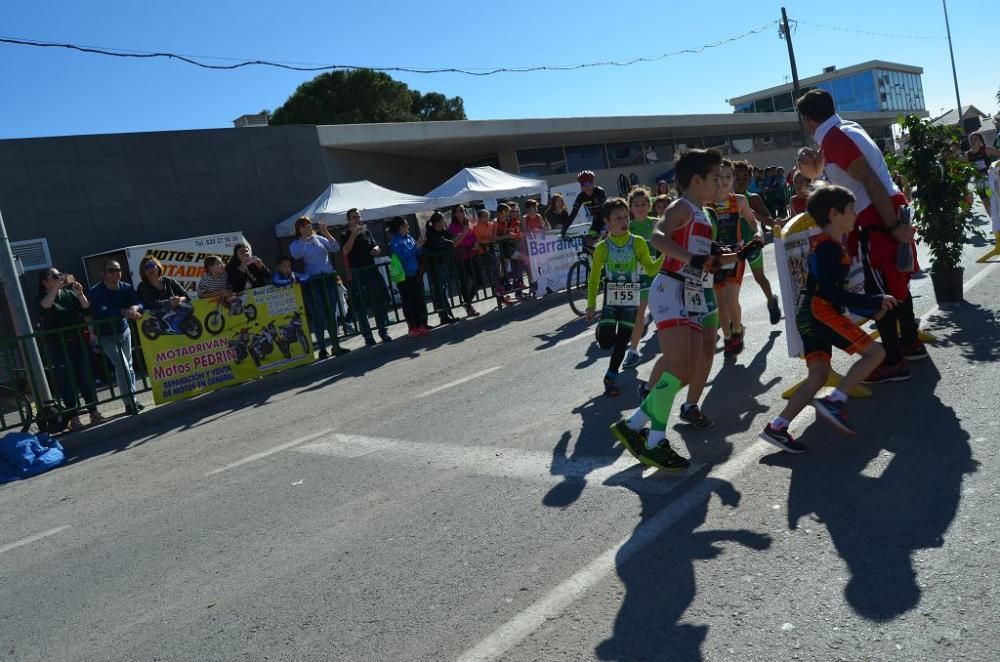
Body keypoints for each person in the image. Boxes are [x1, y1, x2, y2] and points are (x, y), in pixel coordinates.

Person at [610, 149, 739, 472]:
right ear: (696, 181)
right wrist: (694, 259)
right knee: (680, 367)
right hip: (669, 289)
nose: (719, 185)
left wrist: (728, 256)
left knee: (687, 369)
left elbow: (704, 258)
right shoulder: (682, 207)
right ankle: (649, 437)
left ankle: (643, 431)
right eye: (713, 179)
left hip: (691, 293)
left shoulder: (703, 215)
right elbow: (657, 237)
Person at [796, 88, 924, 383]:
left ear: (807, 119)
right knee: (895, 280)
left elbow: (869, 179)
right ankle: (910, 343)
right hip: (883, 210)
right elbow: (846, 173)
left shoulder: (835, 138)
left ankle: (893, 361)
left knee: (880, 290)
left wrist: (893, 227)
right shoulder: (846, 128)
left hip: (875, 216)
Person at [760, 185, 894, 452]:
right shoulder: (828, 249)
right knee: (876, 353)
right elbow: (832, 292)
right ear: (834, 214)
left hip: (810, 313)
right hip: (819, 312)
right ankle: (835, 401)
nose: (855, 214)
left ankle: (777, 427)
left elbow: (831, 290)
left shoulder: (828, 244)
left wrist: (869, 306)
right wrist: (873, 302)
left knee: (818, 375)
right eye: (851, 209)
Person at [585, 198, 661, 397]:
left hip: (631, 299)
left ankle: (611, 376)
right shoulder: (603, 247)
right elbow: (593, 278)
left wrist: (666, 256)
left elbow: (651, 268)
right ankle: (602, 328)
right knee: (606, 342)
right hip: (611, 299)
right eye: (617, 218)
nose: (623, 221)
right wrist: (591, 304)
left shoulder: (637, 243)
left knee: (621, 343)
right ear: (607, 222)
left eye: (626, 216)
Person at [37, 268, 104, 429]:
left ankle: (93, 412)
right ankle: (73, 418)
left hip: (78, 341)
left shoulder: (69, 294)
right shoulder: (42, 297)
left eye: (60, 275)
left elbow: (87, 309)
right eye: (54, 276)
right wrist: (54, 289)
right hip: (58, 345)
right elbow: (45, 306)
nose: (60, 278)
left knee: (84, 377)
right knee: (66, 380)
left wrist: (80, 293)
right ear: (45, 282)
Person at [713, 159, 763, 358]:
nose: (723, 181)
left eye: (727, 177)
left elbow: (753, 222)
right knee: (721, 303)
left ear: (733, 178)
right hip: (715, 257)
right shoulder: (706, 203)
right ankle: (727, 336)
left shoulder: (740, 201)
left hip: (736, 253)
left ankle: (736, 332)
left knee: (731, 298)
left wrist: (759, 233)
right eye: (719, 177)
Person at [88, 259, 142, 414]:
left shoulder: (126, 288)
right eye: (111, 270)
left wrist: (134, 308)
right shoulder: (95, 291)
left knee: (129, 367)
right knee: (122, 365)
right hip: (105, 335)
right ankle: (130, 402)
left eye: (118, 270)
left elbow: (139, 303)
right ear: (104, 274)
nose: (116, 273)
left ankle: (132, 400)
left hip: (123, 331)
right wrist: (123, 312)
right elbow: (101, 310)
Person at [289, 216, 348, 359]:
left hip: (328, 278)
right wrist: (304, 239)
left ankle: (336, 346)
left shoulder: (320, 239)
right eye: (303, 226)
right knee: (318, 316)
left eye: (308, 224)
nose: (307, 227)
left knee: (331, 314)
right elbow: (296, 255)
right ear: (298, 229)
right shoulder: (296, 244)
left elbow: (335, 248)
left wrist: (326, 232)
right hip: (313, 282)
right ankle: (322, 348)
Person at [732, 160, 782, 324]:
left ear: (750, 178)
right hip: (732, 249)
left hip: (752, 244)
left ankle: (771, 300)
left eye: (745, 177)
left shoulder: (753, 198)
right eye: (737, 176)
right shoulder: (725, 199)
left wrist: (752, 214)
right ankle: (732, 319)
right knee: (733, 285)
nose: (741, 180)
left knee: (759, 277)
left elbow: (770, 222)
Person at [620, 186, 661, 370]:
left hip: (655, 274)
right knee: (637, 315)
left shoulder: (656, 223)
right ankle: (633, 351)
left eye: (643, 203)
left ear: (649, 204)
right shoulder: (626, 226)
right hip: (635, 277)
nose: (640, 207)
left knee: (665, 311)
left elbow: (668, 244)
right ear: (630, 207)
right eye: (636, 204)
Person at [340, 208, 392, 345]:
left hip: (371, 270)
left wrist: (376, 249)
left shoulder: (366, 231)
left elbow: (374, 245)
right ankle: (368, 336)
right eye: (354, 217)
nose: (357, 219)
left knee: (378, 302)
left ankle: (383, 331)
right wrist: (353, 235)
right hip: (357, 273)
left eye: (358, 216)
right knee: (361, 306)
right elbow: (345, 251)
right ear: (349, 220)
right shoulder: (345, 233)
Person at [388, 216, 430, 336]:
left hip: (415, 273)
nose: (409, 227)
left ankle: (421, 324)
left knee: (418, 300)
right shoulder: (395, 241)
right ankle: (412, 327)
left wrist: (420, 246)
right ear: (401, 227)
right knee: (408, 301)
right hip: (404, 276)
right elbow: (403, 256)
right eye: (406, 225)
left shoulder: (409, 237)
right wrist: (415, 247)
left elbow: (415, 252)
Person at [424, 211, 459, 325]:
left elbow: (450, 236)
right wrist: (462, 234)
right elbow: (449, 243)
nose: (445, 222)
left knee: (443, 289)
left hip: (442, 265)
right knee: (440, 290)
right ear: (438, 222)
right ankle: (444, 315)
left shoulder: (442, 231)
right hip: (435, 266)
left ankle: (446, 314)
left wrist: (456, 236)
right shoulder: (431, 234)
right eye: (443, 220)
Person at [137, 256, 191, 331]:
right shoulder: (142, 287)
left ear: (158, 266)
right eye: (146, 268)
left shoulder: (170, 281)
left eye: (152, 265)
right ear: (143, 272)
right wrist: (169, 302)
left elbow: (186, 296)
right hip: (157, 320)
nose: (150, 269)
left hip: (174, 314)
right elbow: (149, 304)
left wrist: (180, 299)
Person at [473, 208, 511, 306]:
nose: (486, 218)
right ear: (479, 218)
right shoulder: (476, 227)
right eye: (483, 216)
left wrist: (490, 241)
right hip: (482, 253)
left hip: (490, 250)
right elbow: (479, 240)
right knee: (494, 267)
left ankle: (500, 293)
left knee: (497, 268)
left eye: (487, 216)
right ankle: (499, 290)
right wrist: (488, 241)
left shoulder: (491, 225)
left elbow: (493, 238)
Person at [447, 205, 480, 318]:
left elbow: (474, 236)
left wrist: (476, 243)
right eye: (460, 210)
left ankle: (467, 303)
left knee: (479, 280)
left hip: (472, 256)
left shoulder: (468, 223)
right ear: (455, 214)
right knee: (464, 283)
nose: (463, 212)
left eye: (464, 210)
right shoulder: (452, 227)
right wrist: (464, 233)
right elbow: (454, 244)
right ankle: (469, 307)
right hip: (460, 259)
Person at [567, 170, 608, 242]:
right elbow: (573, 214)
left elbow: (605, 210)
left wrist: (607, 227)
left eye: (589, 183)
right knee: (588, 243)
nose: (587, 186)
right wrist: (565, 231)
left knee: (607, 240)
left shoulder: (599, 192)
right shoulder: (581, 197)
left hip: (607, 219)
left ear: (593, 183)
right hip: (596, 221)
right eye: (583, 184)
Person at [967, 133, 1000, 209]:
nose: (973, 141)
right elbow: (957, 161)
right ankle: (993, 219)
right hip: (979, 181)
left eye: (975, 139)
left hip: (990, 179)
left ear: (980, 140)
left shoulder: (986, 149)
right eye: (971, 140)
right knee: (985, 202)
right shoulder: (968, 154)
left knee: (995, 200)